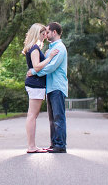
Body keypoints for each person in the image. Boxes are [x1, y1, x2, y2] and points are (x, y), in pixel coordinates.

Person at [28, 21, 68, 153]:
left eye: (48, 32)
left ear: (54, 32)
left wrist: (34, 71)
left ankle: (60, 145)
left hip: (57, 86)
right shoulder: (51, 48)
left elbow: (52, 67)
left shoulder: (60, 48)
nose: (46, 34)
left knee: (58, 117)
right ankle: (54, 143)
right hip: (49, 87)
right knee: (52, 118)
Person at [22, 23, 58, 153]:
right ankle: (31, 146)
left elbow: (35, 66)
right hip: (35, 84)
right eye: (43, 33)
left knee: (32, 115)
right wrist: (50, 57)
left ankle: (32, 145)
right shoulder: (35, 48)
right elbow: (37, 67)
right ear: (37, 33)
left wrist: (46, 55)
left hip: (35, 83)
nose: (45, 36)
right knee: (32, 115)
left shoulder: (33, 48)